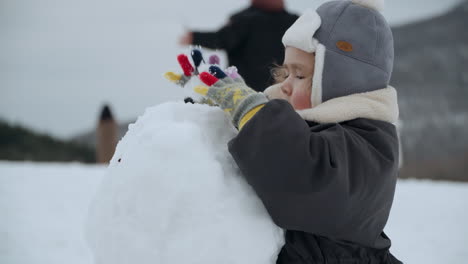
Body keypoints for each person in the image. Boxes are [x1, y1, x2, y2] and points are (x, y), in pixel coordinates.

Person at [187, 0, 403, 263]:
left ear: (343, 84)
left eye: (299, 76)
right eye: (285, 73)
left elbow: (302, 173)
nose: (286, 85)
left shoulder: (369, 144)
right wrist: (214, 116)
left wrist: (253, 113)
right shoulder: (306, 129)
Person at [179, 0, 298, 92]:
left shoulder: (244, 18)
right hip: (281, 89)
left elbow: (222, 39)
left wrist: (194, 37)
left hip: (245, 90)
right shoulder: (295, 21)